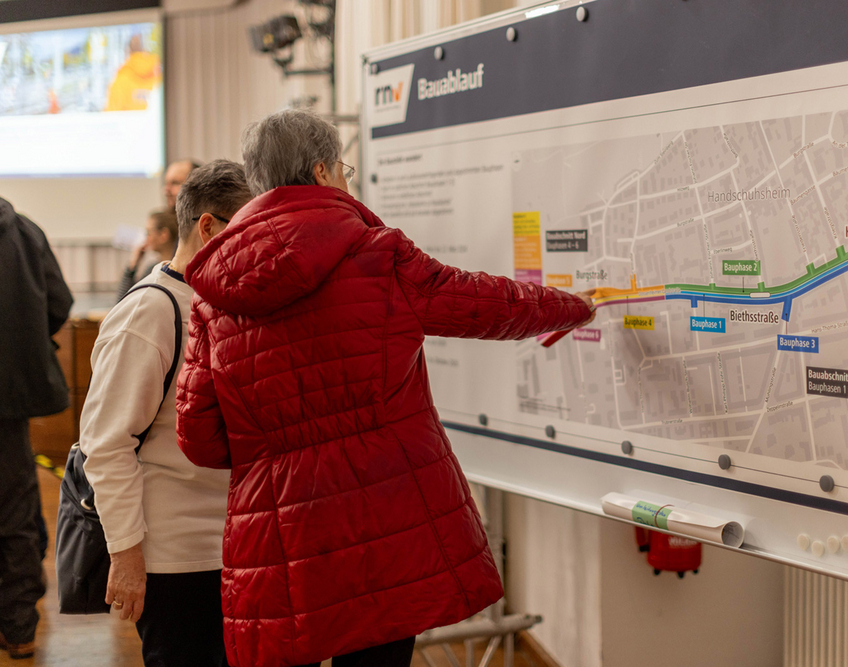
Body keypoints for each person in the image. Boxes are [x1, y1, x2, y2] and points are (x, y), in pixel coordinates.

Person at [175, 109, 596, 667]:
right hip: (385, 514)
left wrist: (272, 451)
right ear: (323, 171)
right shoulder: (376, 253)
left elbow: (199, 439)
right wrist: (573, 305)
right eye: (344, 168)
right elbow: (480, 303)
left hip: (280, 532)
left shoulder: (211, 295)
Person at [79, 161, 252, 667]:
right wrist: (128, 553)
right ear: (208, 227)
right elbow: (107, 445)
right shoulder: (149, 312)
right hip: (177, 559)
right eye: (248, 229)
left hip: (232, 549)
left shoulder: (223, 299)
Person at [0, 197, 73, 660]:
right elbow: (60, 302)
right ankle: (19, 626)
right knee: (16, 511)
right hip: (10, 398)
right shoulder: (24, 232)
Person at [116, 209, 178, 302]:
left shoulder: (155, 272)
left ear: (163, 235)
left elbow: (123, 302)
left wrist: (133, 264)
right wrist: (133, 264)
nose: (145, 239)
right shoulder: (153, 269)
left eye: (148, 233)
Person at [105, 34, 161, 112]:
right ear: (145, 50)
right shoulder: (158, 76)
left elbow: (111, 116)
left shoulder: (120, 81)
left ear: (128, 51)